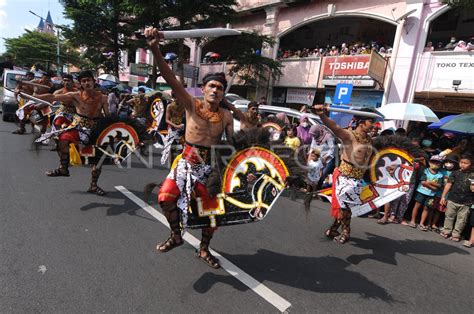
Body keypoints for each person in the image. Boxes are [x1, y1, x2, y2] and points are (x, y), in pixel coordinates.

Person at [145, 27, 234, 269]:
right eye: (212, 86)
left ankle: (204, 249)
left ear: (223, 93)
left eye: (220, 87)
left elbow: (232, 147)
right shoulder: (191, 105)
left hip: (210, 169)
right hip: (186, 163)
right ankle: (176, 235)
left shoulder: (226, 116)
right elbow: (170, 78)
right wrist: (154, 48)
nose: (215, 90)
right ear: (203, 89)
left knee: (212, 216)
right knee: (165, 198)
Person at [34, 70, 110, 195]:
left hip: (96, 130)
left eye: (89, 80)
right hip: (79, 127)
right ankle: (63, 168)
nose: (87, 83)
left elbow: (108, 116)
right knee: (62, 139)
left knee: (97, 161)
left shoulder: (103, 98)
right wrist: (30, 96)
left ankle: (93, 185)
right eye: (84, 81)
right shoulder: (75, 95)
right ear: (80, 84)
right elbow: (52, 97)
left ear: (93, 81)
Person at [313, 105, 375, 244]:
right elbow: (334, 126)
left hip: (358, 179)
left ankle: (333, 229)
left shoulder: (370, 140)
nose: (374, 125)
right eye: (371, 122)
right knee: (345, 207)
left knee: (345, 207)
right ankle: (347, 232)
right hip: (345, 177)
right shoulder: (349, 135)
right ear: (362, 122)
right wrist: (322, 115)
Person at [440, 154, 474, 242]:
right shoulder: (455, 173)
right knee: (449, 216)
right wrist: (443, 196)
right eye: (461, 162)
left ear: (471, 164)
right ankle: (446, 231)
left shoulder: (473, 175)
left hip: (466, 202)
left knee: (462, 220)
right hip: (452, 199)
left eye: (466, 163)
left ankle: (456, 234)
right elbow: (448, 184)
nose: (462, 164)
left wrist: (472, 186)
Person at [416, 155, 445, 231]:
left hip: (431, 195)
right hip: (421, 192)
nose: (435, 164)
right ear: (429, 162)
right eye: (433, 162)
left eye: (438, 163)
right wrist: (433, 187)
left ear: (441, 165)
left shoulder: (440, 175)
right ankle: (413, 221)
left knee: (426, 208)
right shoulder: (425, 171)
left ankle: (421, 223)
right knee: (417, 206)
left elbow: (439, 185)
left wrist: (429, 182)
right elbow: (423, 183)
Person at [309, 124, 336, 189]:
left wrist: (325, 158)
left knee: (322, 175)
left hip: (327, 160)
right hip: (317, 158)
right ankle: (311, 188)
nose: (313, 136)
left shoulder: (328, 137)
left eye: (314, 134)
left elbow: (332, 150)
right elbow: (312, 147)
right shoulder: (315, 136)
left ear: (318, 131)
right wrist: (310, 157)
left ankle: (317, 190)